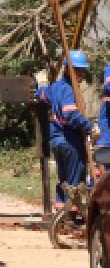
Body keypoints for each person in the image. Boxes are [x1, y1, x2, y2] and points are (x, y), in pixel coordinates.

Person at [37, 50, 95, 208]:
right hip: (70, 141)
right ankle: (70, 216)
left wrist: (40, 84)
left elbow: (42, 94)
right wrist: (90, 127)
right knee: (74, 182)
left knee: (64, 181)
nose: (82, 74)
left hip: (57, 140)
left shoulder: (56, 87)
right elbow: (70, 114)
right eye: (79, 71)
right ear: (69, 70)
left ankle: (61, 215)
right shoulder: (69, 90)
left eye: (83, 71)